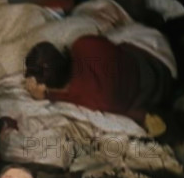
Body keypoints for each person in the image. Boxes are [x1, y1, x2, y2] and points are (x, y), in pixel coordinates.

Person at [24, 36, 174, 126]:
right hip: (153, 64)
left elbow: (72, 96)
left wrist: (47, 96)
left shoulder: (83, 94)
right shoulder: (82, 43)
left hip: (153, 94)